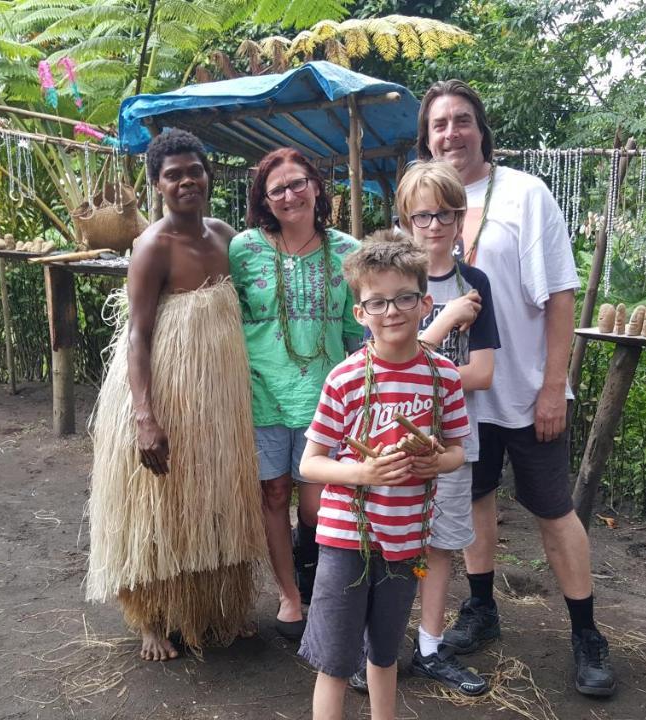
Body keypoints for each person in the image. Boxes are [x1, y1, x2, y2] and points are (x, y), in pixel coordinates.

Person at [418, 79, 616, 696]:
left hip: (527, 389)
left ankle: (586, 633)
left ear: (481, 129)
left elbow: (559, 291)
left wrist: (555, 384)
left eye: (462, 120)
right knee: (474, 503)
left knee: (553, 510)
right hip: (458, 397)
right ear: (426, 138)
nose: (452, 133)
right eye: (439, 124)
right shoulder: (424, 202)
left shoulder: (526, 194)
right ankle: (482, 607)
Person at [85, 129, 267, 661]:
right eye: (173, 174)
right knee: (159, 506)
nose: (186, 181)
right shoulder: (151, 248)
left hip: (218, 395)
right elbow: (138, 337)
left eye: (194, 170)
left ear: (208, 175)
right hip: (165, 387)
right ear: (157, 185)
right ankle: (151, 619)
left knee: (214, 496)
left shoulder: (225, 235)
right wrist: (146, 417)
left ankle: (213, 611)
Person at [298, 233, 469, 720]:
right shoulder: (345, 378)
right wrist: (363, 471)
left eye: (404, 298)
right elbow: (310, 464)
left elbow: (458, 450)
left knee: (386, 652)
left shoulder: (444, 377)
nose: (391, 311)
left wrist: (438, 462)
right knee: (334, 661)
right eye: (377, 302)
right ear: (360, 312)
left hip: (407, 538)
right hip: (346, 538)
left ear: (425, 303)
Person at [229, 148, 364, 639]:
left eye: (298, 183)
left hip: (326, 398)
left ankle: (314, 579)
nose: (290, 195)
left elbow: (358, 334)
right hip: (262, 393)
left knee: (317, 505)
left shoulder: (348, 251)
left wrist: (364, 396)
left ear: (316, 186)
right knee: (273, 492)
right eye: (278, 189)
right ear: (265, 201)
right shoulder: (243, 249)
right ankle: (290, 595)